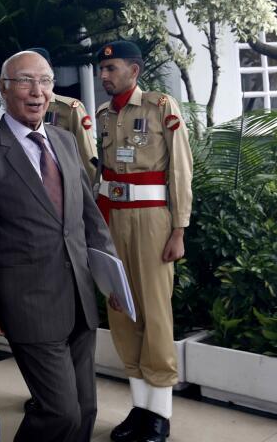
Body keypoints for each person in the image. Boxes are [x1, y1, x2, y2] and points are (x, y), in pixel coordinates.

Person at [0, 50, 118, 442]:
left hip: (80, 301)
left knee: (85, 411)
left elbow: (90, 220)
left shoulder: (65, 140)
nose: (37, 91)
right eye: (24, 81)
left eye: (46, 81)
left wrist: (113, 281)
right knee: (60, 413)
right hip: (29, 307)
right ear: (3, 89)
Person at [95, 41, 192, 442]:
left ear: (133, 71)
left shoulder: (159, 106)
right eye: (102, 69)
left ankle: (160, 415)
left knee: (154, 313)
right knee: (121, 312)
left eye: (112, 68)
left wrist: (179, 229)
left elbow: (181, 169)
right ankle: (140, 407)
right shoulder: (102, 115)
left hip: (153, 220)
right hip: (113, 219)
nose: (104, 75)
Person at [25, 47, 99, 180]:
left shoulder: (69, 108)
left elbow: (87, 155)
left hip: (64, 186)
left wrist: (92, 192)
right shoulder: (18, 110)